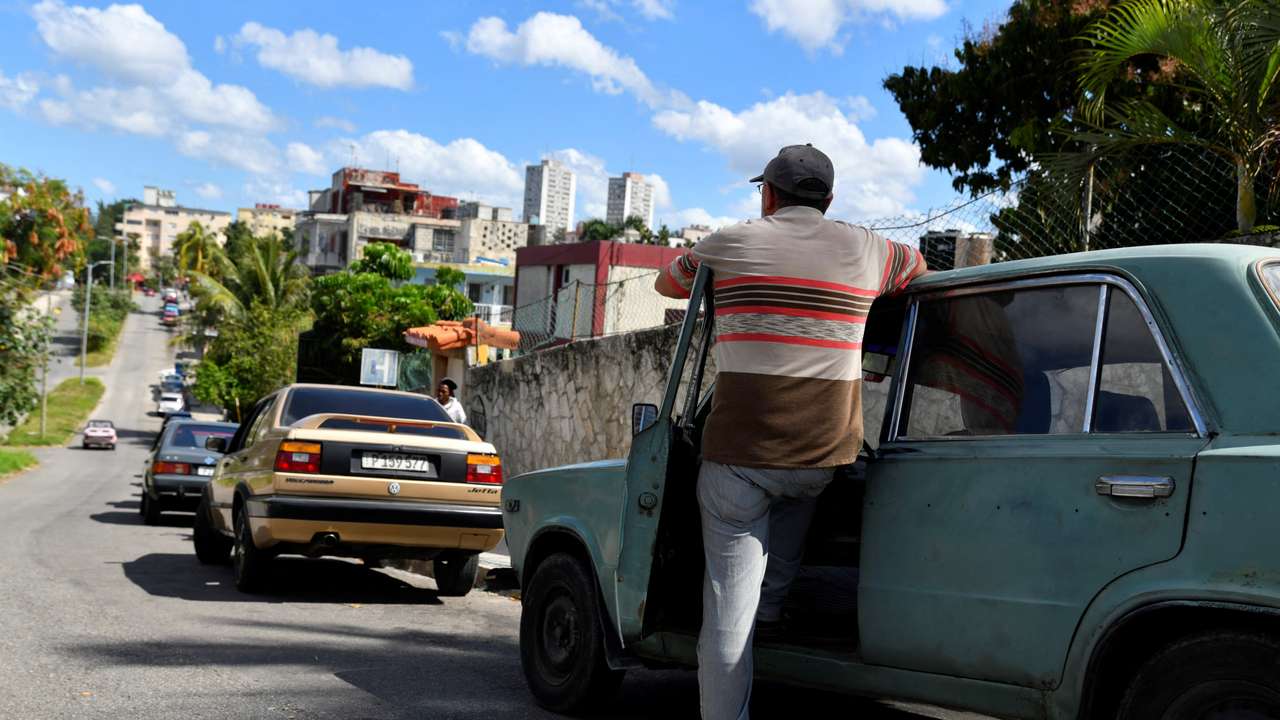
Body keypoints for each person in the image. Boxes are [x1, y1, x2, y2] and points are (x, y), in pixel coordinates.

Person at [655, 144, 927, 720]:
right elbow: (918, 270)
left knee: (727, 616)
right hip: (823, 457)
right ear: (829, 200)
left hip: (740, 455)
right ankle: (774, 603)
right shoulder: (871, 248)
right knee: (797, 490)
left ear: (769, 195)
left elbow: (668, 285)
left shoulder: (730, 241)